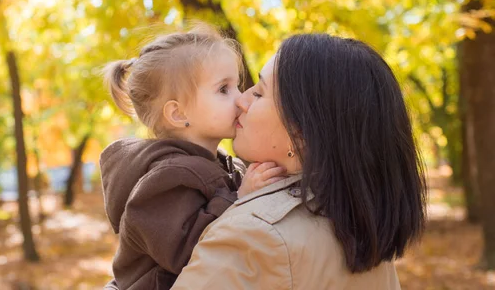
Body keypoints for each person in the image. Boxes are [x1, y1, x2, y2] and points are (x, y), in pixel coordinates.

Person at [172, 34, 427, 290]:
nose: (241, 100)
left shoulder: (252, 235)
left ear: (301, 134)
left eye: (259, 94)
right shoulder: (360, 228)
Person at [100, 25, 286, 290]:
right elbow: (189, 254)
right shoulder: (166, 178)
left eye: (236, 85)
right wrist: (240, 198)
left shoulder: (213, 162)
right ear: (178, 114)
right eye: (224, 89)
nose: (241, 98)